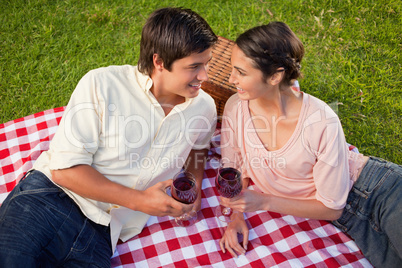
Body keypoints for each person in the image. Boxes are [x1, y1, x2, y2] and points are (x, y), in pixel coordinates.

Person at [0, 7, 217, 267]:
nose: (204, 76)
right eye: (194, 66)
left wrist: (194, 182)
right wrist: (141, 201)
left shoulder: (204, 107)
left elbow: (199, 147)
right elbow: (64, 172)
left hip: (103, 236)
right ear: (159, 62)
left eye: (207, 64)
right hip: (50, 201)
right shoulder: (102, 84)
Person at [218, 21, 402, 268]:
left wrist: (263, 202)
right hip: (351, 221)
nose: (231, 79)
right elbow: (233, 169)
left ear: (275, 75)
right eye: (232, 69)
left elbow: (332, 207)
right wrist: (236, 216)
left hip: (379, 191)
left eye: (241, 72)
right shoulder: (235, 107)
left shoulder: (320, 121)